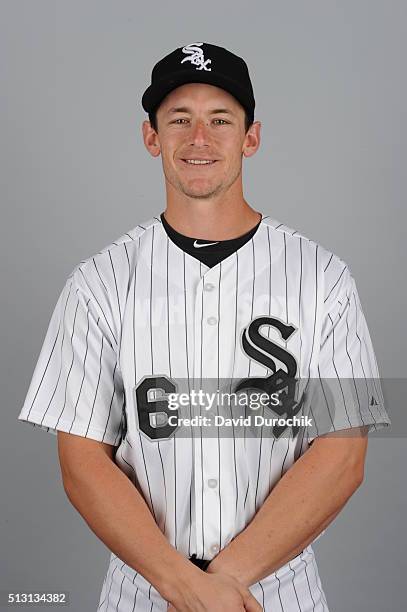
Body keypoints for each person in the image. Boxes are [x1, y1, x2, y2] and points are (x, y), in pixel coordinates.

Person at [18, 41, 391, 611]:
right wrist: (181, 584)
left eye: (220, 120)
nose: (199, 139)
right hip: (144, 595)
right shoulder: (98, 282)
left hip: (279, 594)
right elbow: (81, 461)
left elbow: (344, 454)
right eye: (179, 120)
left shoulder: (325, 276)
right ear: (152, 138)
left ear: (251, 137)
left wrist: (220, 583)